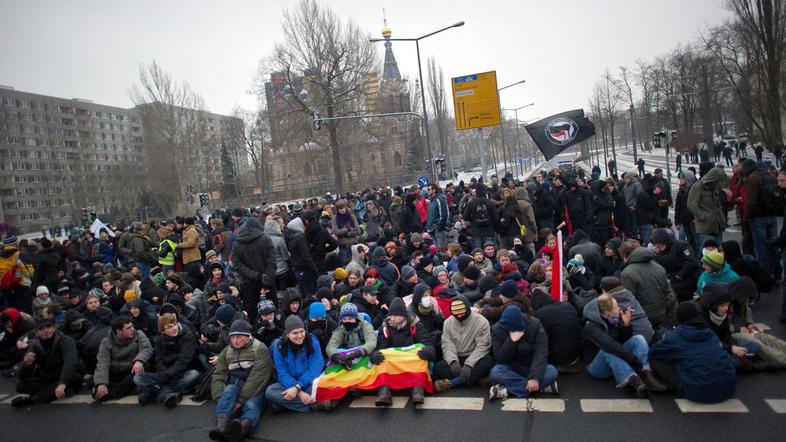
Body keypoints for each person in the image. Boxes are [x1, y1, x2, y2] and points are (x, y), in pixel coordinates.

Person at [649, 301, 737, 403]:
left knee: (657, 359)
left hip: (700, 391)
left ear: (679, 318)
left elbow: (654, 352)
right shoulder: (709, 332)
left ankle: (678, 385)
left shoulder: (676, 336)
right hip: (729, 388)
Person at [582, 294, 667, 397]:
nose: (619, 309)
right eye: (615, 308)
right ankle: (633, 380)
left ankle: (647, 373)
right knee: (608, 350)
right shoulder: (592, 327)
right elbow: (611, 345)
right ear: (606, 312)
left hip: (614, 356)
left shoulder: (612, 319)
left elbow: (621, 340)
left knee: (638, 338)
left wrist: (625, 325)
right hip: (596, 366)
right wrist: (634, 361)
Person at [209, 319, 273, 441]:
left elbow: (258, 379)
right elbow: (219, 375)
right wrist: (220, 398)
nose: (235, 341)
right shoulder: (226, 351)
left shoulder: (260, 348)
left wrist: (240, 401)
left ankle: (243, 429)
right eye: (232, 337)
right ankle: (221, 427)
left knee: (251, 405)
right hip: (234, 385)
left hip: (256, 389)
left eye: (239, 337)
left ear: (247, 336)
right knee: (229, 390)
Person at [372, 298, 435, 406]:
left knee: (420, 352)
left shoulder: (415, 325)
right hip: (394, 361)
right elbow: (381, 347)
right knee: (382, 356)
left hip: (411, 360)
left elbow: (427, 343)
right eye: (391, 315)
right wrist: (374, 355)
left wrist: (428, 351)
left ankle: (417, 389)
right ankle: (384, 391)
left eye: (396, 315)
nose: (392, 318)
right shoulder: (385, 328)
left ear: (403, 316)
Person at [488, 306, 559, 400]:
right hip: (511, 366)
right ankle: (541, 387)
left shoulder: (535, 324)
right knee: (495, 372)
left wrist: (534, 377)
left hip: (531, 365)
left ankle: (507, 390)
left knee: (552, 371)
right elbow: (500, 358)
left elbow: (541, 352)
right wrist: (511, 341)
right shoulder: (497, 329)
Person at [11, 318, 83, 407]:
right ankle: (59, 390)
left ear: (53, 328)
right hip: (50, 378)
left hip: (68, 375)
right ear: (36, 333)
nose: (45, 330)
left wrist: (62, 383)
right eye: (41, 329)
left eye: (48, 327)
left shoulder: (65, 340)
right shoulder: (35, 345)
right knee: (20, 385)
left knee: (74, 377)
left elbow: (70, 362)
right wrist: (26, 365)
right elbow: (22, 374)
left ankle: (35, 399)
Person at [133, 313, 199, 408]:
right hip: (164, 374)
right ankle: (168, 395)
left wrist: (167, 376)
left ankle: (152, 394)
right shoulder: (159, 340)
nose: (174, 328)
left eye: (175, 325)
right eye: (169, 327)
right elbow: (159, 361)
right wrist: (164, 375)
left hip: (180, 372)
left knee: (194, 374)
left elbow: (183, 361)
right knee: (138, 377)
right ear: (163, 331)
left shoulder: (187, 337)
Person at [265, 315, 324, 413]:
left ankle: (285, 404)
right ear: (287, 334)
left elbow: (315, 368)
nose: (300, 336)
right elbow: (282, 372)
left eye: (302, 331)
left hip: (309, 381)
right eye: (295, 333)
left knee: (320, 386)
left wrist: (298, 387)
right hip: (290, 384)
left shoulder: (312, 342)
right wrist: (299, 392)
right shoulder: (279, 346)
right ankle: (312, 405)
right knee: (270, 392)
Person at [433, 295, 492, 392]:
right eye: (457, 314)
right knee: (438, 367)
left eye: (462, 313)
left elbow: (483, 346)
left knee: (488, 361)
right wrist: (453, 361)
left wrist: (469, 364)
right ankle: (477, 379)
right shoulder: (448, 322)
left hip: (475, 357)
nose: (459, 316)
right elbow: (447, 344)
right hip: (457, 358)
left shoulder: (481, 321)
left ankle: (452, 383)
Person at [618, 242, 677, 330]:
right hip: (664, 315)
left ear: (625, 256)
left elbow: (629, 302)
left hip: (646, 319)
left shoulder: (627, 273)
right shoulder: (658, 267)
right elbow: (669, 295)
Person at [93, 317, 153, 401]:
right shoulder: (106, 341)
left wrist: (139, 360)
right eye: (128, 328)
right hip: (117, 369)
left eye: (132, 326)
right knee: (99, 379)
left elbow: (147, 348)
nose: (132, 329)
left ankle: (115, 392)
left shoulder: (138, 334)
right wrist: (102, 383)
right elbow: (103, 362)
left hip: (133, 368)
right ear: (119, 331)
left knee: (144, 367)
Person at [687, 167, 727, 248]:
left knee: (718, 251)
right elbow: (691, 205)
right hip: (704, 227)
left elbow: (718, 203)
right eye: (718, 181)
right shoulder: (697, 187)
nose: (719, 183)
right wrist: (703, 216)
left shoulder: (714, 187)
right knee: (706, 252)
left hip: (717, 224)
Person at [426, 184, 450, 251]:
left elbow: (444, 214)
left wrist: (439, 227)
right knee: (437, 251)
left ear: (434, 190)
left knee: (442, 250)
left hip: (438, 228)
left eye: (429, 189)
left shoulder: (439, 199)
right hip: (431, 229)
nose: (427, 191)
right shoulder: (431, 201)